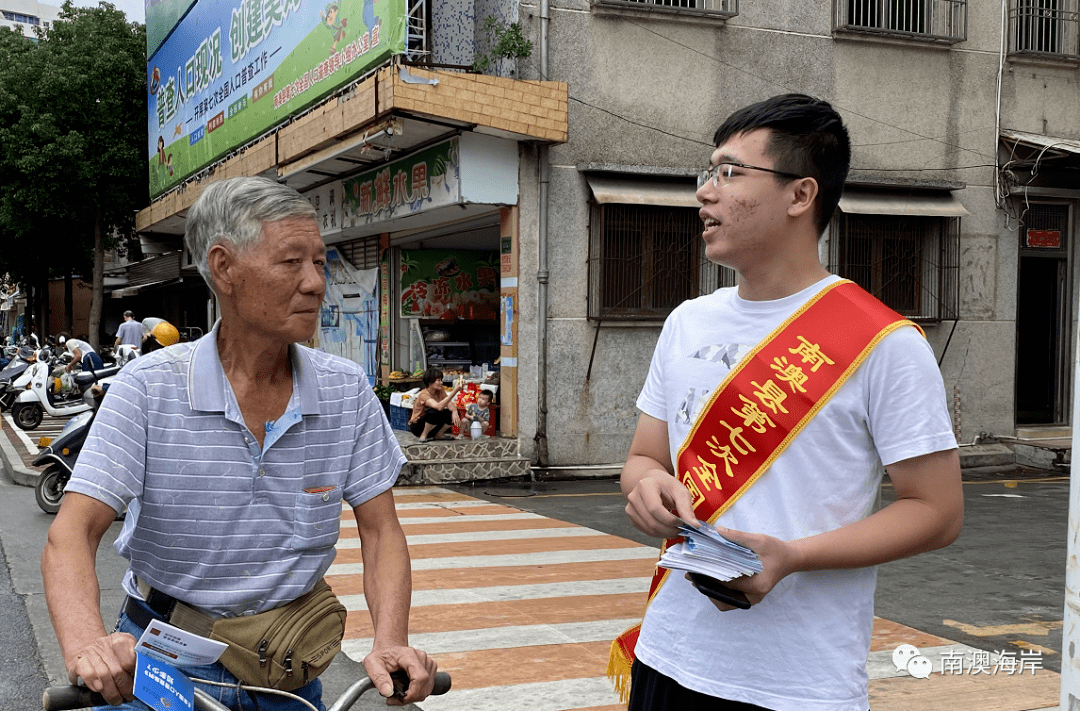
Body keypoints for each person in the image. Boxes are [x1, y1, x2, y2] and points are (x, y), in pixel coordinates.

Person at [612, 94, 963, 711]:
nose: (705, 193)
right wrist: (646, 488)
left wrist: (793, 557)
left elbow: (936, 511)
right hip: (666, 656)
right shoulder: (688, 322)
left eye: (730, 172)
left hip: (796, 685)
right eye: (708, 172)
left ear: (801, 196)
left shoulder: (884, 344)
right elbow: (644, 457)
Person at [41, 176, 437, 710]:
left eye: (319, 262)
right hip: (161, 667)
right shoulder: (149, 387)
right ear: (224, 268)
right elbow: (70, 535)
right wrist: (89, 646)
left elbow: (382, 532)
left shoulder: (346, 390)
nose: (316, 283)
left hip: (288, 671)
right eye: (292, 262)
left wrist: (390, 640)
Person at [408, 368, 461, 442]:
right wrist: (455, 391)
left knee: (453, 413)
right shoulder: (423, 394)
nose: (441, 383)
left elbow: (448, 402)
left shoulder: (440, 390)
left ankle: (439, 434)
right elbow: (438, 406)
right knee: (435, 412)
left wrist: (455, 411)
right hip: (418, 427)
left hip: (433, 426)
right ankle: (423, 435)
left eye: (441, 380)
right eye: (438, 380)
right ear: (430, 382)